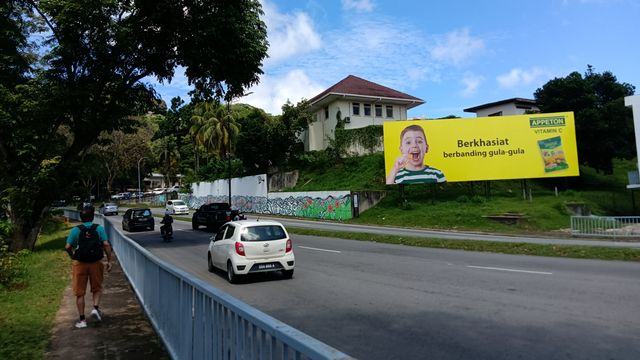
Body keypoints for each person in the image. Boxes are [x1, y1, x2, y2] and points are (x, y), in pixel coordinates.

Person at [65, 205, 112, 329]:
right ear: (92, 217)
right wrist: (109, 260)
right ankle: (95, 308)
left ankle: (82, 320)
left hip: (80, 263)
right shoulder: (99, 228)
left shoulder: (76, 230)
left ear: (81, 217)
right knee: (97, 288)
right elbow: (106, 244)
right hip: (96, 262)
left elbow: (68, 247)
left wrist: (72, 256)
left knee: (80, 293)